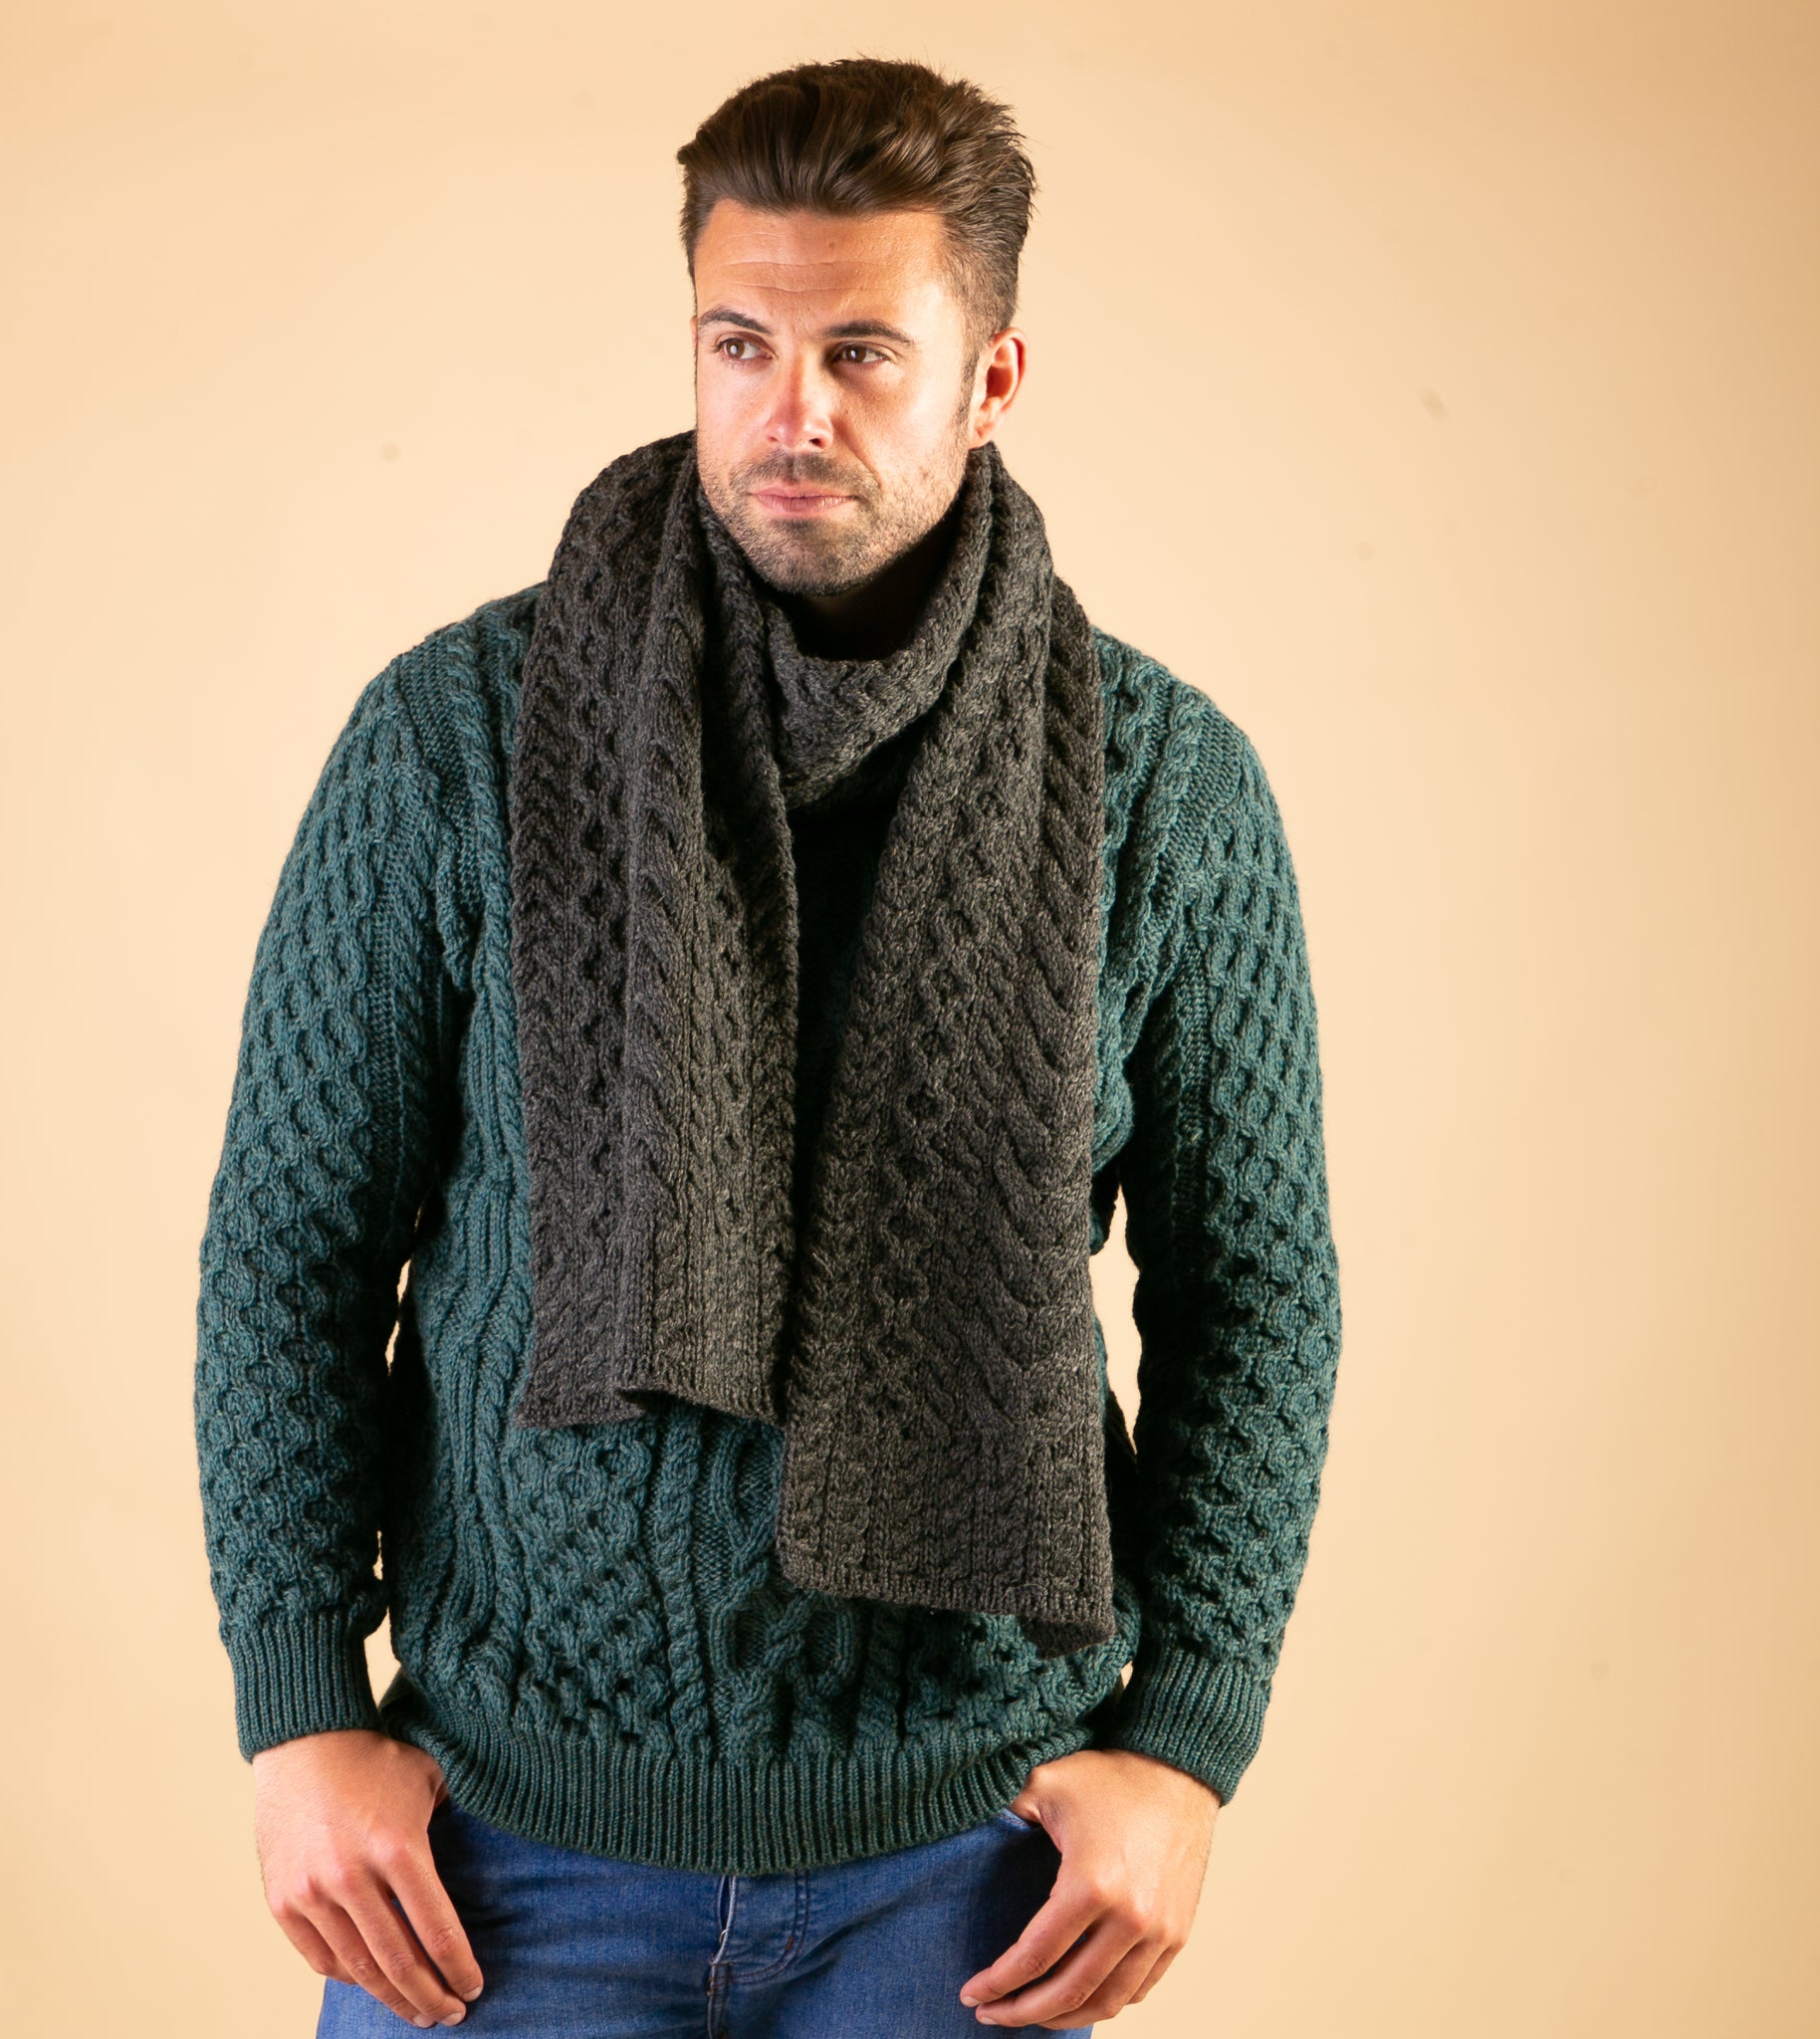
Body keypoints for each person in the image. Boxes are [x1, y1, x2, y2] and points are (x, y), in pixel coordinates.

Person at [194, 55, 1342, 2038]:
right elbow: (291, 1237)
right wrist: (298, 1707)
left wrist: (1186, 1740)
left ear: (991, 376)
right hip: (501, 1855)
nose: (787, 409)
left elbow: (1258, 1295)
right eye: (739, 343)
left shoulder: (1165, 788)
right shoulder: (460, 736)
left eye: (860, 353)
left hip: (966, 1868)